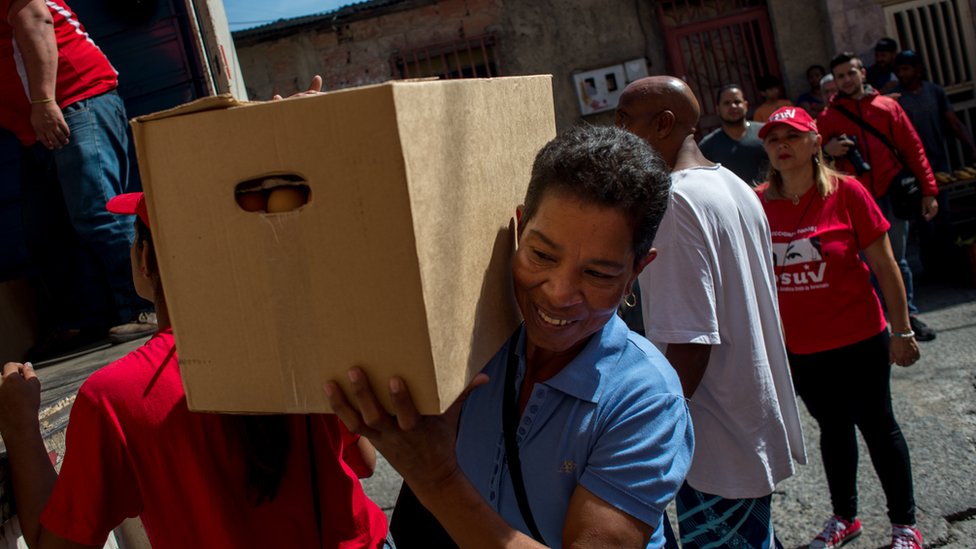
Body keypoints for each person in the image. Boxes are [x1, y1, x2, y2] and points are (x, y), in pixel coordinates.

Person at [326, 125, 694, 548]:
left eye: (597, 273)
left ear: (635, 273)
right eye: (541, 255)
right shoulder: (476, 338)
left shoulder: (645, 401)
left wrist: (437, 476)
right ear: (518, 228)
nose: (558, 294)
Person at [0, 192, 390, 548]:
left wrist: (19, 425)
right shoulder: (302, 343)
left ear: (146, 258)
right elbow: (364, 463)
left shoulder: (114, 396)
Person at [615, 76, 805, 549]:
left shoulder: (675, 202)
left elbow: (690, 340)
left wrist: (650, 437)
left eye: (625, 123)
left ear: (663, 124)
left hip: (715, 437)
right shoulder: (734, 185)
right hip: (747, 417)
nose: (619, 137)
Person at [756, 105, 924, 549]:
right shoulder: (757, 204)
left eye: (791, 136)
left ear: (815, 142)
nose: (781, 146)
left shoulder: (848, 193)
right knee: (832, 430)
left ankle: (905, 524)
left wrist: (902, 330)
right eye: (773, 139)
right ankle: (844, 517)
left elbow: (886, 268)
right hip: (803, 349)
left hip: (860, 339)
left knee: (878, 426)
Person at [1, 0, 155, 360]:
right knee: (46, 231)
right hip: (36, 123)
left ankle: (147, 306)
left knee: (99, 213)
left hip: (73, 100)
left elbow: (35, 19)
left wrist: (43, 101)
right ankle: (81, 320)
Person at [818, 52, 939, 341]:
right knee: (863, 265)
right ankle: (877, 324)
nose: (847, 79)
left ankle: (907, 317)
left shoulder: (887, 107)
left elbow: (914, 149)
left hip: (892, 194)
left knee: (897, 259)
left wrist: (929, 191)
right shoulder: (827, 118)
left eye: (851, 73)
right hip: (852, 202)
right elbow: (811, 161)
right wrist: (827, 150)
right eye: (841, 76)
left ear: (863, 73)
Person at [893, 49, 976, 280]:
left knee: (944, 216)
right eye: (899, 70)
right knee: (925, 220)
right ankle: (933, 268)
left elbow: (953, 122)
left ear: (918, 69)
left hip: (939, 163)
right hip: (911, 169)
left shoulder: (935, 92)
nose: (902, 74)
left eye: (906, 68)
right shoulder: (897, 98)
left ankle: (951, 265)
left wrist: (970, 146)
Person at [699, 84, 768, 186]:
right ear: (718, 109)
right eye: (727, 103)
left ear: (746, 105)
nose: (733, 106)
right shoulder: (707, 146)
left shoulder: (766, 133)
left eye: (737, 102)